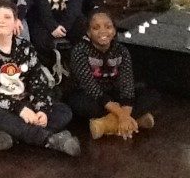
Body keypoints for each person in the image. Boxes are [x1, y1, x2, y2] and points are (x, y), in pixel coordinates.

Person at [0, 0, 80, 156]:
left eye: (7, 17)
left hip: (24, 102)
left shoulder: (25, 47)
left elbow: (37, 82)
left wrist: (42, 109)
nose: (0, 21)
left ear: (15, 22)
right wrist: (19, 109)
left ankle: (6, 133)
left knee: (63, 111)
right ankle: (49, 140)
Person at [68, 9, 159, 139]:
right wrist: (122, 114)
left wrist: (124, 115)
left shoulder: (122, 51)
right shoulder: (79, 51)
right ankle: (135, 120)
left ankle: (106, 125)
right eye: (96, 28)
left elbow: (127, 85)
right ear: (88, 32)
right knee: (78, 104)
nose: (103, 31)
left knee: (152, 95)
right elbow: (91, 88)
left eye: (108, 27)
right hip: (92, 97)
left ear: (115, 30)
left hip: (114, 94)